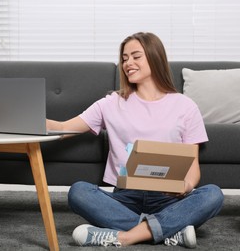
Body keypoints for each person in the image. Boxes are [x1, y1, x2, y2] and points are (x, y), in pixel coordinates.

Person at [46, 32, 224, 248]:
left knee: (213, 194)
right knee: (79, 192)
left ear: (154, 57)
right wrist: (25, 119)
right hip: (124, 199)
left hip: (168, 199)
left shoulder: (186, 106)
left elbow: (193, 165)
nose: (128, 63)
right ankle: (168, 231)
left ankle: (126, 236)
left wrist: (186, 186)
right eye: (124, 58)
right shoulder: (111, 103)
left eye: (135, 56)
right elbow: (64, 128)